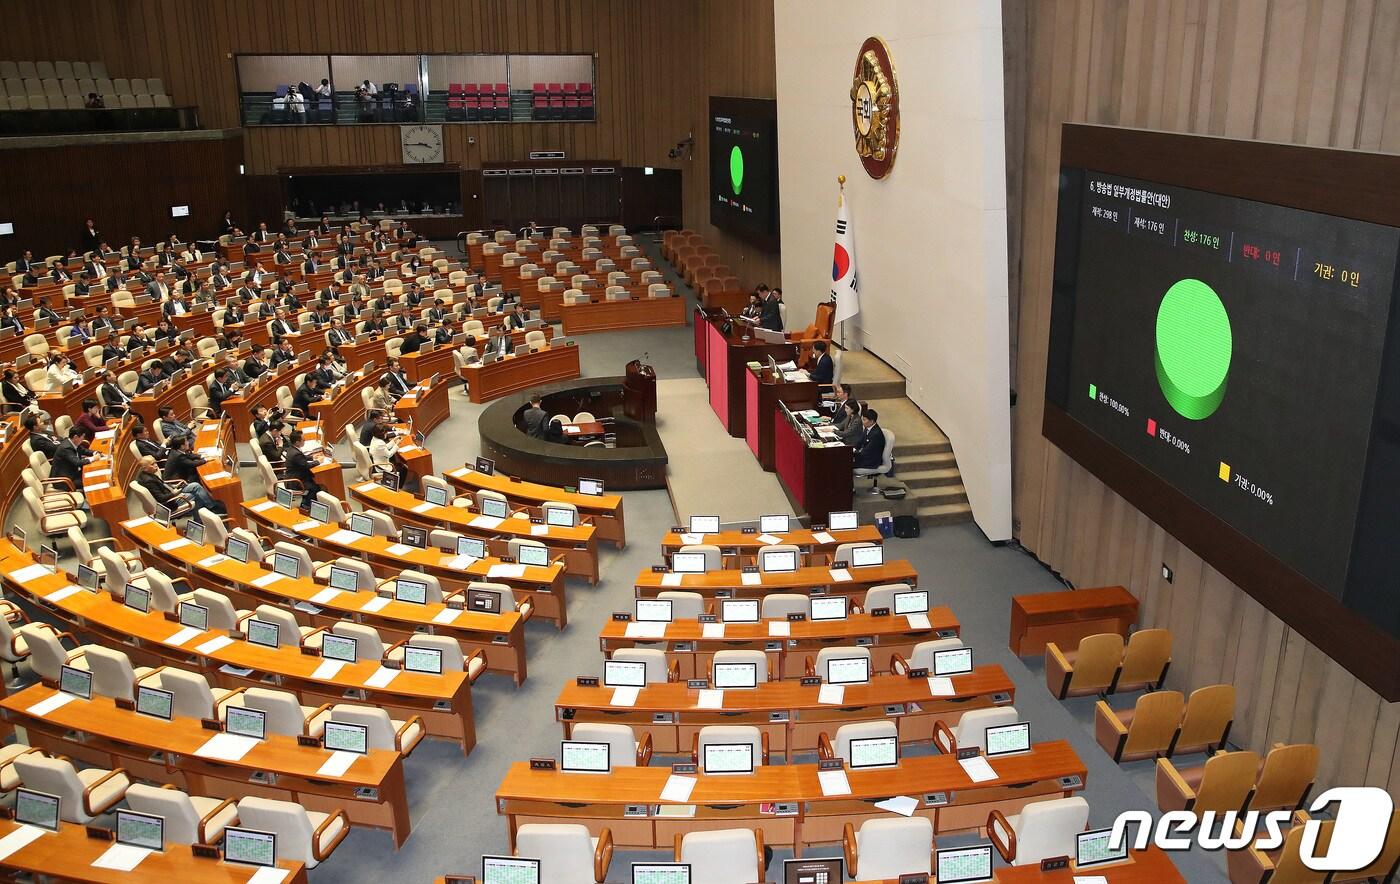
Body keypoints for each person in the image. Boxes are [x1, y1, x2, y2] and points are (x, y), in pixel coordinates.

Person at [283, 429, 322, 511]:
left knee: (315, 482)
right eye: (303, 440)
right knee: (315, 488)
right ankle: (305, 504)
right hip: (296, 480)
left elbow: (302, 458)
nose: (305, 441)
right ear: (297, 442)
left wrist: (312, 457)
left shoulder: (292, 448)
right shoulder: (295, 453)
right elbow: (306, 465)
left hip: (295, 475)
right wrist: (318, 461)